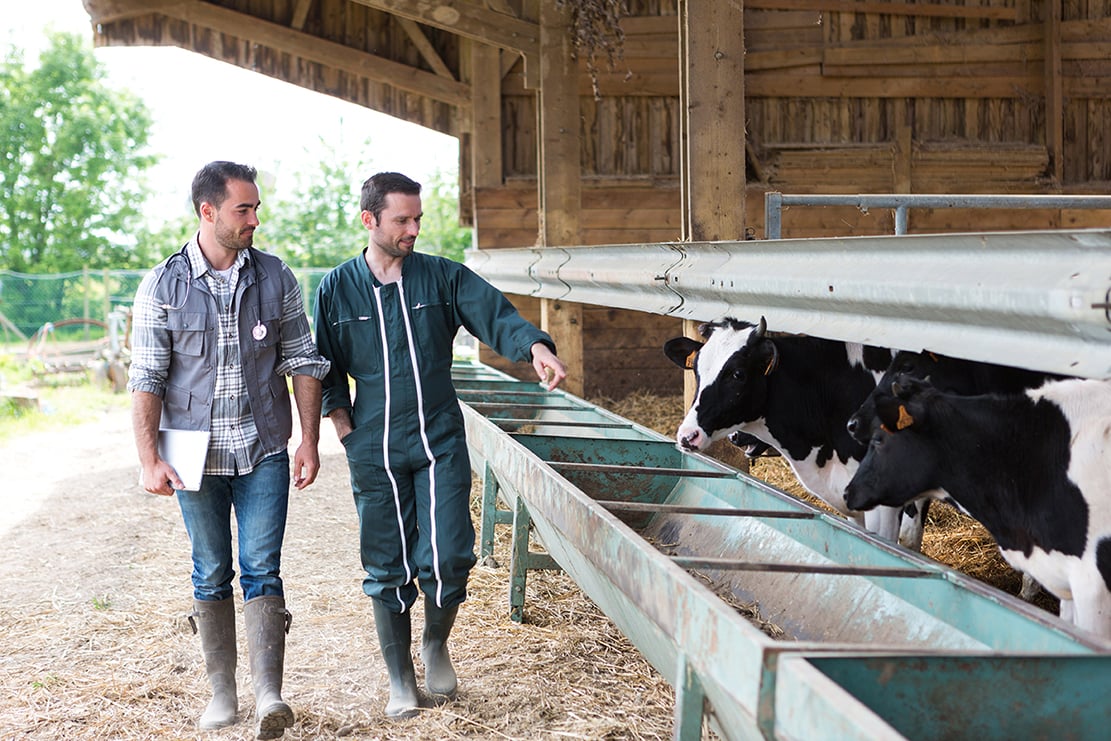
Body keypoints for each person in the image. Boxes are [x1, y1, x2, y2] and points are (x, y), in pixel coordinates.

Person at [314, 171, 567, 718]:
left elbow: (496, 315)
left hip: (438, 438)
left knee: (450, 552)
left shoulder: (442, 278)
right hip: (374, 445)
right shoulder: (336, 288)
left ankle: (434, 642)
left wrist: (536, 347)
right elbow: (326, 366)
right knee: (387, 565)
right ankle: (400, 678)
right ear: (370, 220)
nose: (413, 229)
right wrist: (343, 429)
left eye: (418, 219)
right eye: (402, 220)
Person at [127, 161, 331, 740]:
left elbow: (302, 361)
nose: (254, 220)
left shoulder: (275, 277)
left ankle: (270, 694)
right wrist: (149, 459)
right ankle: (223, 694)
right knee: (210, 570)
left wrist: (308, 440)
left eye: (256, 208)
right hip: (193, 458)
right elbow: (146, 376)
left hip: (263, 446)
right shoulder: (162, 286)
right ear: (208, 211)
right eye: (244, 209)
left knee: (262, 567)